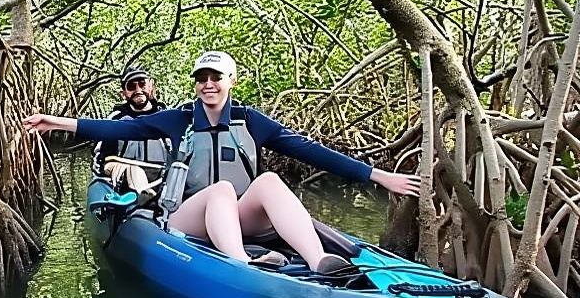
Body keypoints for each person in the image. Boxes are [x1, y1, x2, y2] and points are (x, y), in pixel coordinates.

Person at [25, 50, 421, 273]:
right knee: (221, 190)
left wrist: (376, 175)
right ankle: (241, 265)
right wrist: (55, 121)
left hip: (237, 216)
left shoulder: (250, 121)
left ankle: (319, 259)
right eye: (201, 78)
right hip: (187, 218)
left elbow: (310, 151)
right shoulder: (178, 119)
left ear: (231, 81)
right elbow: (112, 131)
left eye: (216, 77)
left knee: (267, 182)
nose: (208, 84)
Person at [91, 65, 168, 194]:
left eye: (142, 84)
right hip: (124, 188)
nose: (138, 90)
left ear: (151, 86)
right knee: (133, 170)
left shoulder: (168, 119)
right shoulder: (115, 121)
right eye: (131, 86)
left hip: (162, 184)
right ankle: (142, 195)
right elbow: (99, 161)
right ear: (124, 93)